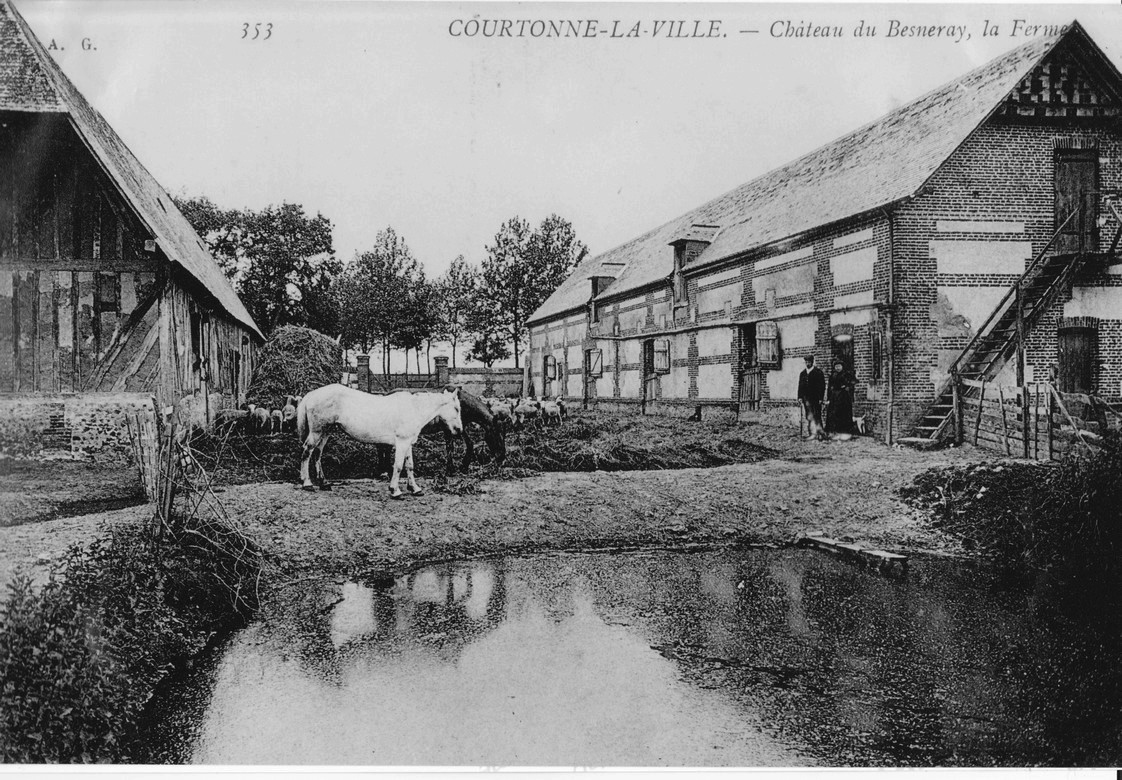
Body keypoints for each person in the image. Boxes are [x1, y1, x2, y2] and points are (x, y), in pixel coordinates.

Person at [797, 356, 826, 439]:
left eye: (809, 362)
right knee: (809, 416)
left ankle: (820, 433)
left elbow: (822, 386)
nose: (807, 363)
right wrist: (799, 397)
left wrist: (821, 398)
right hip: (806, 398)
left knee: (817, 415)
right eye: (806, 362)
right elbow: (800, 386)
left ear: (812, 362)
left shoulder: (818, 372)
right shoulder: (802, 373)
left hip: (816, 398)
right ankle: (811, 433)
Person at [826, 360, 856, 436]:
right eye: (836, 366)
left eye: (839, 366)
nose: (838, 368)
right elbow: (829, 388)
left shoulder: (847, 374)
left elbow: (853, 382)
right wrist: (828, 398)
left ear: (842, 367)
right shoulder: (832, 375)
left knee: (844, 414)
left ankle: (845, 431)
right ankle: (834, 431)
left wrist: (847, 387)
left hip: (844, 398)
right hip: (834, 398)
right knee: (833, 414)